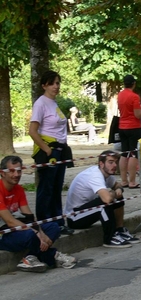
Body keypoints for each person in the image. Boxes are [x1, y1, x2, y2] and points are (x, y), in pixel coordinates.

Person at [0, 156, 76, 272]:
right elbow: (10, 221)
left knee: (53, 227)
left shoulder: (18, 189)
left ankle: (30, 258)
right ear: (2, 173)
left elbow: (29, 216)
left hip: (17, 229)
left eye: (19, 170)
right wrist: (35, 232)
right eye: (11, 171)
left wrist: (40, 231)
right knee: (32, 235)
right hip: (3, 234)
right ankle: (53, 256)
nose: (16, 175)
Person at [28, 70, 74, 235]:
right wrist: (47, 150)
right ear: (44, 85)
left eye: (57, 83)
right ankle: (45, 223)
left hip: (60, 150)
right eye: (52, 83)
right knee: (46, 188)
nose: (56, 86)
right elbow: (32, 131)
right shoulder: (41, 103)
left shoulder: (54, 104)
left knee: (56, 187)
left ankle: (58, 222)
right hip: (50, 151)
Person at [64, 150, 139, 248]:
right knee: (103, 203)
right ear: (101, 164)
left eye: (116, 162)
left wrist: (118, 190)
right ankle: (110, 238)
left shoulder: (106, 174)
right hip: (74, 217)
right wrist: (113, 193)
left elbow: (117, 185)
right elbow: (107, 199)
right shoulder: (95, 175)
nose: (114, 165)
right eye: (110, 162)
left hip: (86, 210)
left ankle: (119, 230)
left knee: (118, 197)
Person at [117, 74, 141, 189]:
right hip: (133, 127)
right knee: (133, 154)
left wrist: (140, 107)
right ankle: (132, 181)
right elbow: (138, 114)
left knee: (124, 153)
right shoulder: (134, 96)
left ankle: (123, 180)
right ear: (134, 84)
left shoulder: (120, 95)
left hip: (122, 126)